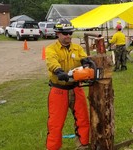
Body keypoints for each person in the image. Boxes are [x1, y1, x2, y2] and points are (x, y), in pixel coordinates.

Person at [45, 18, 90, 150]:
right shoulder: (51, 49)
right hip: (59, 90)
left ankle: (83, 145)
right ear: (57, 33)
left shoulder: (77, 48)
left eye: (70, 33)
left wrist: (86, 65)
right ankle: (53, 148)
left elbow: (84, 58)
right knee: (55, 123)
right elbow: (51, 61)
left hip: (76, 88)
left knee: (83, 119)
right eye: (65, 33)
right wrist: (59, 71)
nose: (68, 36)